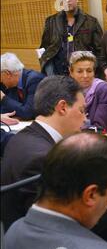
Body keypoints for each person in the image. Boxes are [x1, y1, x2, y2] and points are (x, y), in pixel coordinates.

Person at [1, 76, 87, 231]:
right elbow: (60, 226)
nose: (85, 119)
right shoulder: (44, 158)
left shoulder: (19, 137)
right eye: (82, 110)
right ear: (62, 107)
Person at [39, 0, 103, 76]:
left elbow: (100, 50)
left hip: (81, 73)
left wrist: (93, 72)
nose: (67, 0)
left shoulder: (91, 21)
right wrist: (46, 68)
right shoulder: (51, 21)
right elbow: (44, 48)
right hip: (57, 73)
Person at [69, 51, 107, 131]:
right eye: (80, 71)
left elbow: (100, 128)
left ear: (94, 72)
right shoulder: (66, 89)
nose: (85, 76)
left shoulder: (102, 89)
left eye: (89, 71)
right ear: (71, 72)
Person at [1, 53, 45, 119]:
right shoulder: (12, 85)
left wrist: (3, 98)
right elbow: (6, 110)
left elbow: (28, 113)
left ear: (8, 74)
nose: (0, 80)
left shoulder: (35, 80)